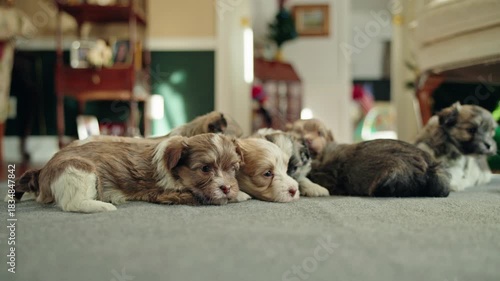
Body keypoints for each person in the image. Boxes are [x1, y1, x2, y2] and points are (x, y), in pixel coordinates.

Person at [0, 0, 33, 162]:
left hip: (10, 61)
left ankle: (23, 144)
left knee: (28, 93)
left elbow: (29, 31)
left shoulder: (15, 15)